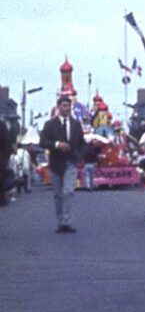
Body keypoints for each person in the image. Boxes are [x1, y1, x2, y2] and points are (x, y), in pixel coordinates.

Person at [39, 94, 85, 232]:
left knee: (68, 192)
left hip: (70, 162)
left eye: (69, 105)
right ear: (58, 107)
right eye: (64, 105)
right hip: (56, 164)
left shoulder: (76, 125)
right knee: (58, 194)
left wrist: (79, 156)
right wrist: (57, 144)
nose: (67, 108)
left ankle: (66, 221)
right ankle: (60, 222)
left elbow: (82, 143)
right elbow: (42, 142)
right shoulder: (50, 124)